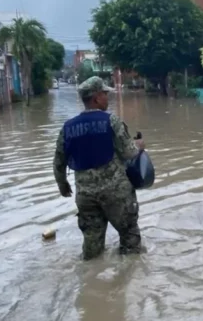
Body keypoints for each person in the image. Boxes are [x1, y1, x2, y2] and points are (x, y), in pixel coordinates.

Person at [52, 76, 146, 260]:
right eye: (104, 94)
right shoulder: (111, 121)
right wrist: (140, 145)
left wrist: (62, 185)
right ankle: (129, 280)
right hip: (116, 193)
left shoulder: (68, 127)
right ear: (96, 98)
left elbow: (58, 162)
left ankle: (91, 283)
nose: (107, 97)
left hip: (86, 196)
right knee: (130, 238)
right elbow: (129, 153)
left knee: (91, 245)